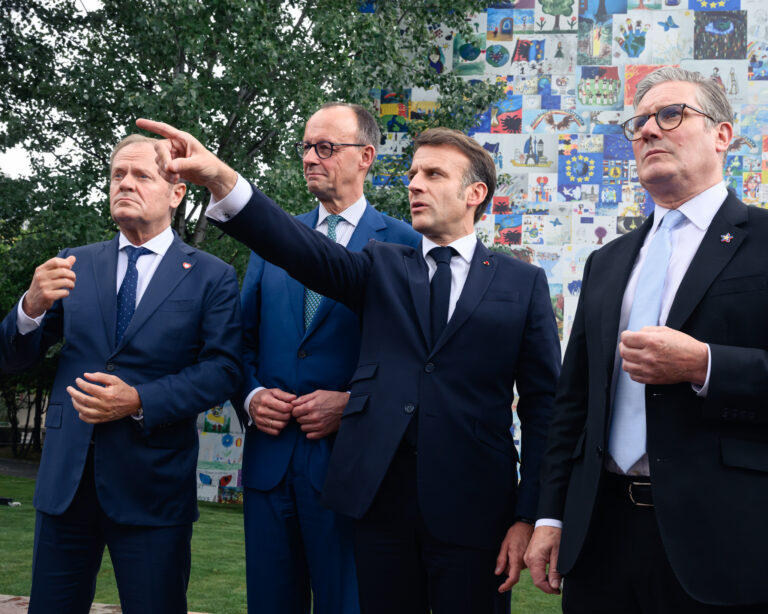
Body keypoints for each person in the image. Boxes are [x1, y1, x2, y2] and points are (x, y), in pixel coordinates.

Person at [135, 117, 561, 614]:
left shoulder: (521, 283)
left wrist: (530, 517)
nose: (414, 184)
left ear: (475, 193)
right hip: (380, 512)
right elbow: (298, 247)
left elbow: (544, 411)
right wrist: (220, 178)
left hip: (476, 515)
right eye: (413, 174)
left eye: (433, 175)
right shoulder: (383, 265)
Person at [526, 66, 768, 612]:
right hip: (600, 535)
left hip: (723, 539)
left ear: (722, 134)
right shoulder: (607, 261)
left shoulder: (763, 241)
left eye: (671, 114)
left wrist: (705, 365)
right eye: (639, 123)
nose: (649, 130)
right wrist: (551, 515)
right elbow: (573, 401)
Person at [0, 134, 242, 613]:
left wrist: (140, 400)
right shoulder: (75, 261)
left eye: (141, 175)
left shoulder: (211, 276)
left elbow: (223, 370)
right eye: (117, 175)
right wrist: (30, 306)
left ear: (176, 192)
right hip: (66, 483)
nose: (125, 184)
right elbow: (12, 358)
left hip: (153, 488)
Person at [234, 102, 420, 614]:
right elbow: (239, 342)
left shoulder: (405, 245)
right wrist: (251, 396)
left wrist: (353, 403)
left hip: (352, 469)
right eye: (306, 147)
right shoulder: (270, 240)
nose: (310, 158)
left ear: (366, 157)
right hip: (270, 464)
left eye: (325, 147)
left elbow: (415, 361)